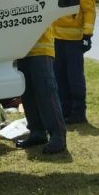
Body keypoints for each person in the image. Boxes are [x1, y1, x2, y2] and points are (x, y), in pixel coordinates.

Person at [16, 25, 67, 154]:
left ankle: (58, 136)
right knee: (28, 95)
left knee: (46, 94)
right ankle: (37, 132)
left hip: (41, 48)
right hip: (22, 50)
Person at [53, 0, 96, 124]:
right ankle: (65, 111)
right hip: (55, 39)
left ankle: (78, 112)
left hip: (74, 41)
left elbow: (89, 10)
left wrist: (87, 34)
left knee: (74, 77)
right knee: (60, 77)